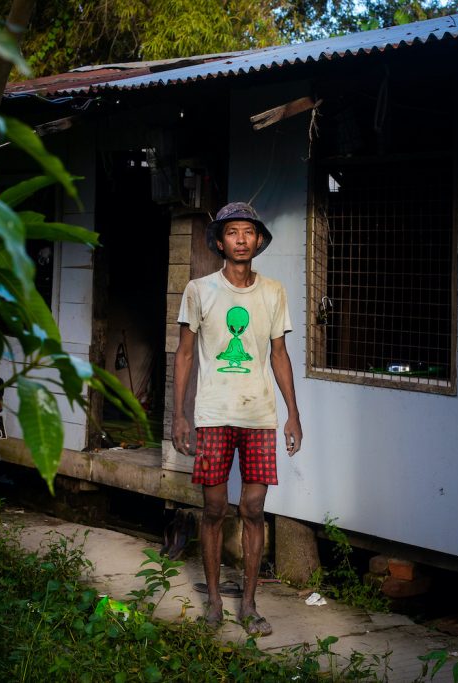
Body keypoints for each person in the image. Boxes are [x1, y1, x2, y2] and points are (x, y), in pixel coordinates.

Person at [173, 201, 302, 636]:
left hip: (260, 416)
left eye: (249, 232)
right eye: (233, 232)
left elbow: (280, 355)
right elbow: (185, 354)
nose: (242, 239)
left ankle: (247, 604)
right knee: (213, 508)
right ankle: (213, 601)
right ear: (220, 241)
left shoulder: (273, 292)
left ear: (259, 240)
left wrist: (292, 414)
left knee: (252, 507)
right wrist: (179, 415)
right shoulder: (199, 290)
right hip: (212, 415)